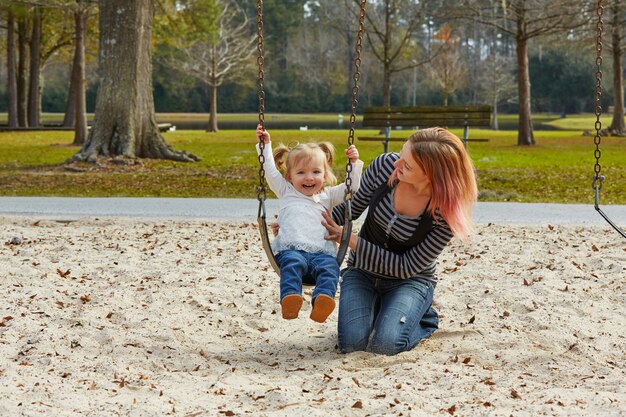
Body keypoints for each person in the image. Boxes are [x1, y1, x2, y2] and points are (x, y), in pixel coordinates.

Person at [320, 127, 477, 355]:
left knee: (385, 345)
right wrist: (303, 222)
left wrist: (350, 240)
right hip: (362, 272)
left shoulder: (445, 213)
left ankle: (423, 319)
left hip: (410, 281)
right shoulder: (385, 167)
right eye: (401, 156)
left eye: (407, 165)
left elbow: (406, 267)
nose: (397, 164)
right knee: (352, 345)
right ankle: (382, 310)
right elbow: (350, 210)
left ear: (431, 175)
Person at [256, 124, 364, 323]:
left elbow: (352, 187)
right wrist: (265, 146)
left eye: (316, 172)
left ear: (324, 174)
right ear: (289, 176)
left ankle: (323, 301)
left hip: (322, 253)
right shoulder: (286, 190)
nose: (309, 178)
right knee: (291, 265)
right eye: (301, 173)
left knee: (331, 269)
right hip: (292, 250)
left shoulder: (328, 195)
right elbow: (270, 171)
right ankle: (290, 299)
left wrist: (354, 163)